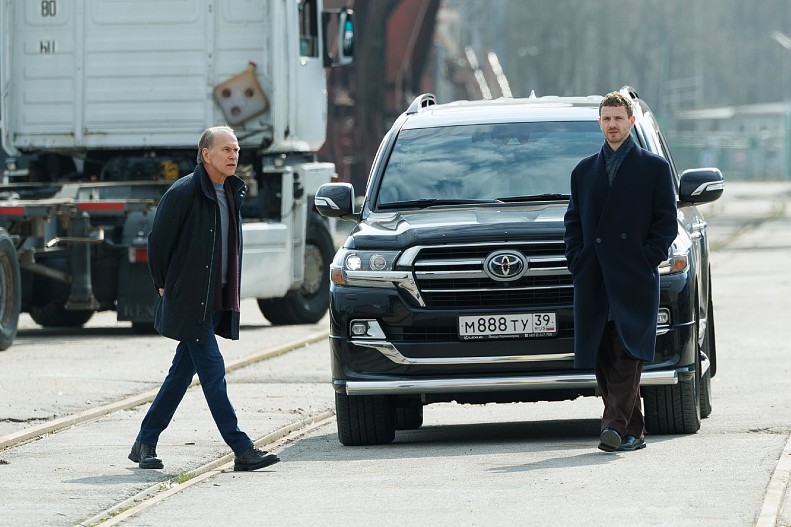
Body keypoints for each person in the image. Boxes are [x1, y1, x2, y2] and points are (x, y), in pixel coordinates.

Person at [128, 125, 280, 471]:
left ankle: (145, 441)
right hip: (191, 300)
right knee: (213, 372)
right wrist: (162, 284)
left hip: (215, 298)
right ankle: (241, 448)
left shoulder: (232, 191)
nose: (233, 155)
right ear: (206, 154)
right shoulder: (183, 192)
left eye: (236, 150)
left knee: (180, 375)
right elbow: (157, 242)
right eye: (226, 149)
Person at [563, 92, 677, 453]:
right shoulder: (583, 172)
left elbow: (666, 223)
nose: (612, 124)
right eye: (606, 118)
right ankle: (633, 431)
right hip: (594, 278)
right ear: (599, 123)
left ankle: (611, 426)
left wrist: (647, 258)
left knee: (629, 351)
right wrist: (578, 261)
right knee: (604, 356)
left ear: (631, 122)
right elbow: (573, 223)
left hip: (634, 278)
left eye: (618, 118)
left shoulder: (654, 168)